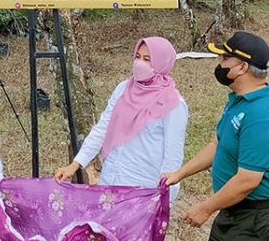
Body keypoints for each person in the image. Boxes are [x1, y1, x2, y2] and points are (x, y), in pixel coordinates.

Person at [163, 31, 269, 241]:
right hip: (232, 208)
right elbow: (218, 144)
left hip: (257, 219)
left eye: (224, 59)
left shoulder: (263, 115)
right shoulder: (238, 101)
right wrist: (179, 174)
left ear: (242, 67)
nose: (220, 65)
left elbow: (248, 180)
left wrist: (205, 208)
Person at [55, 37, 188, 202]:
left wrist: (164, 199)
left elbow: (173, 158)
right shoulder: (124, 89)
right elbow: (103, 128)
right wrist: (76, 164)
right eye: (137, 57)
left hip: (143, 189)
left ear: (162, 62)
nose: (140, 63)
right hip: (111, 178)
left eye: (147, 59)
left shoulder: (173, 104)